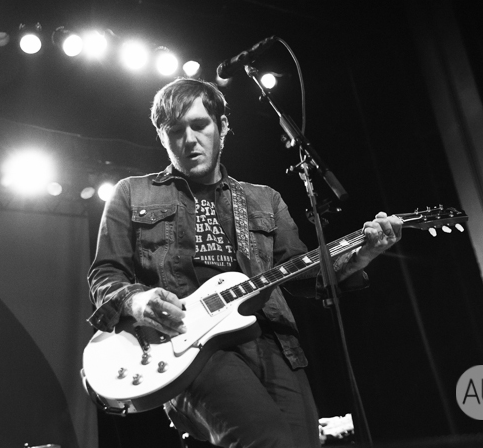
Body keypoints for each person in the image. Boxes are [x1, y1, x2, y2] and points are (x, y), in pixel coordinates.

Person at [87, 77, 402, 448]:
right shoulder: (131, 192)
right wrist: (139, 302)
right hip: (187, 348)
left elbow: (306, 277)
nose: (189, 140)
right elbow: (105, 274)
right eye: (175, 131)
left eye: (199, 125)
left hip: (273, 341)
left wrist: (363, 253)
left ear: (222, 126)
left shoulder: (265, 199)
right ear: (161, 136)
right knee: (266, 440)